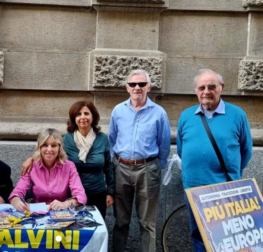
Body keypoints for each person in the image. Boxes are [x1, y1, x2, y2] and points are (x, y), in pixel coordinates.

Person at [177, 69, 252, 251]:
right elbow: (181, 149)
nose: (206, 91)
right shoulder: (186, 116)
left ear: (221, 88)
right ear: (195, 90)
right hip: (194, 189)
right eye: (202, 87)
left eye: (212, 86)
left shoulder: (237, 115)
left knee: (226, 239)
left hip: (224, 189)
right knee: (199, 236)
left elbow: (246, 150)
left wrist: (231, 174)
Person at [108, 69, 171, 252]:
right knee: (120, 221)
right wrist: (115, 163)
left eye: (142, 84)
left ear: (149, 87)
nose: (137, 88)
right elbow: (112, 138)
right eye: (133, 84)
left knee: (147, 223)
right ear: (127, 88)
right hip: (121, 169)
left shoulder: (159, 113)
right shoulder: (118, 110)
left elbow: (164, 144)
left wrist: (155, 167)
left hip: (147, 169)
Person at [11, 128, 87, 212]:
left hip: (61, 213)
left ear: (59, 147)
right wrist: (16, 201)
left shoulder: (69, 166)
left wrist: (65, 204)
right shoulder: (31, 165)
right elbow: (17, 192)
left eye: (54, 145)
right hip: (37, 213)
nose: (49, 149)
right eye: (45, 145)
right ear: (39, 147)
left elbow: (81, 195)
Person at [62, 101, 114, 218]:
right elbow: (51, 156)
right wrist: (31, 159)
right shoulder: (67, 139)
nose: (83, 117)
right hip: (73, 196)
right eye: (78, 114)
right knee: (75, 231)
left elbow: (108, 167)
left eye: (86, 113)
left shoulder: (102, 138)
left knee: (96, 230)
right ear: (73, 118)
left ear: (93, 116)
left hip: (98, 194)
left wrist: (110, 193)